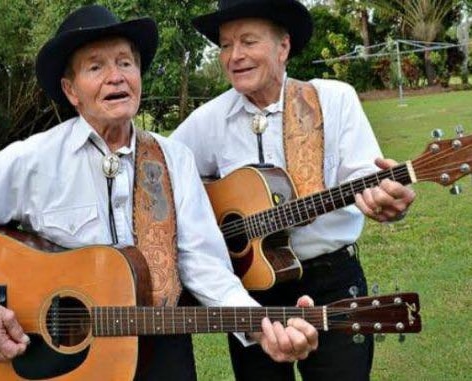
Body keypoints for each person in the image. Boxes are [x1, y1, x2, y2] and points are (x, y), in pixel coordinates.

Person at [0, 4, 319, 381]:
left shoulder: (172, 159)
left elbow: (204, 265)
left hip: (162, 352)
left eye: (125, 63)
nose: (115, 76)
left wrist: (261, 327)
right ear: (71, 91)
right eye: (96, 67)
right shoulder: (34, 159)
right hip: (60, 363)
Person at [171, 0, 416, 380]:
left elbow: (367, 175)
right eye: (225, 45)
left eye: (248, 41)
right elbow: (164, 176)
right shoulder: (207, 122)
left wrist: (389, 201)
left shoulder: (333, 99)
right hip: (251, 292)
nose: (235, 56)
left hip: (331, 280)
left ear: (282, 47)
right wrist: (213, 233)